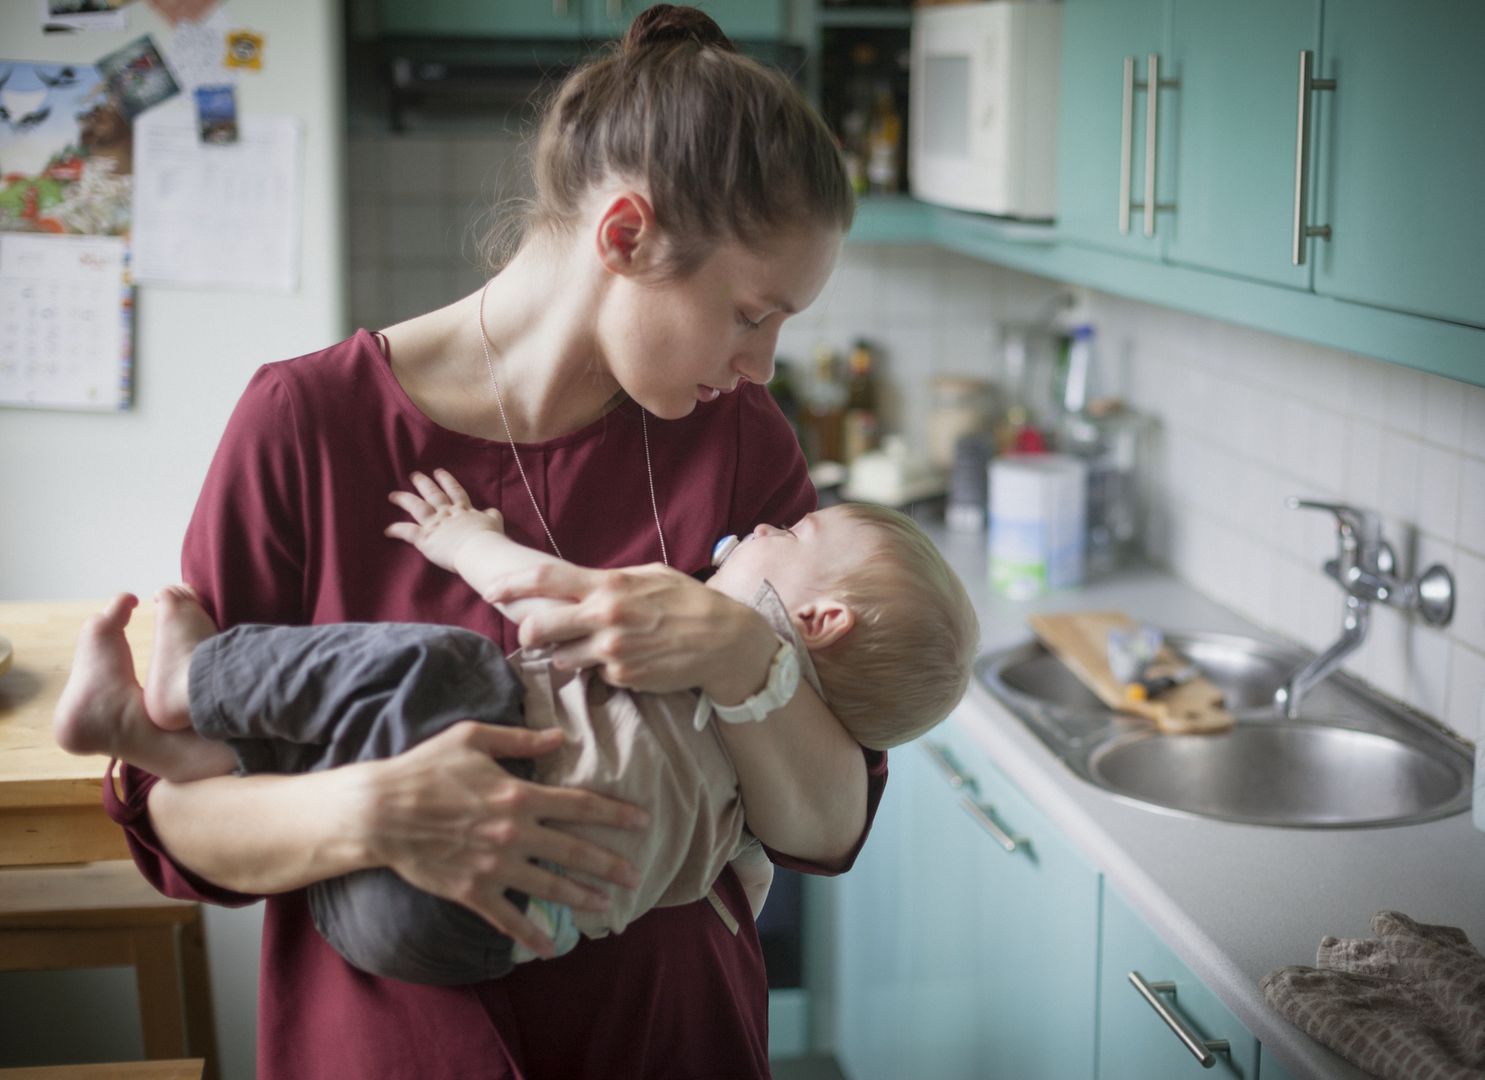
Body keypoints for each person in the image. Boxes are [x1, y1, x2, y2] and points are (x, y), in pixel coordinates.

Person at [101, 6, 887, 1076]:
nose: (761, 363)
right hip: (400, 1044)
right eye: (753, 314)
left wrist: (744, 655)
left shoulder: (738, 442)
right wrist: (373, 812)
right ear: (625, 236)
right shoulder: (307, 423)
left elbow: (828, 828)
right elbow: (173, 820)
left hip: (672, 1040)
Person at [56, 468, 979, 985]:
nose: (761, 532)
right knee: (347, 745)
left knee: (447, 670)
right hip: (459, 945)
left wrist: (461, 537)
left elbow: (538, 603)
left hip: (427, 885)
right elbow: (756, 877)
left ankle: (188, 685)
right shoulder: (754, 808)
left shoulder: (699, 628)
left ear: (817, 621)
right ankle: (169, 746)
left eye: (792, 535)